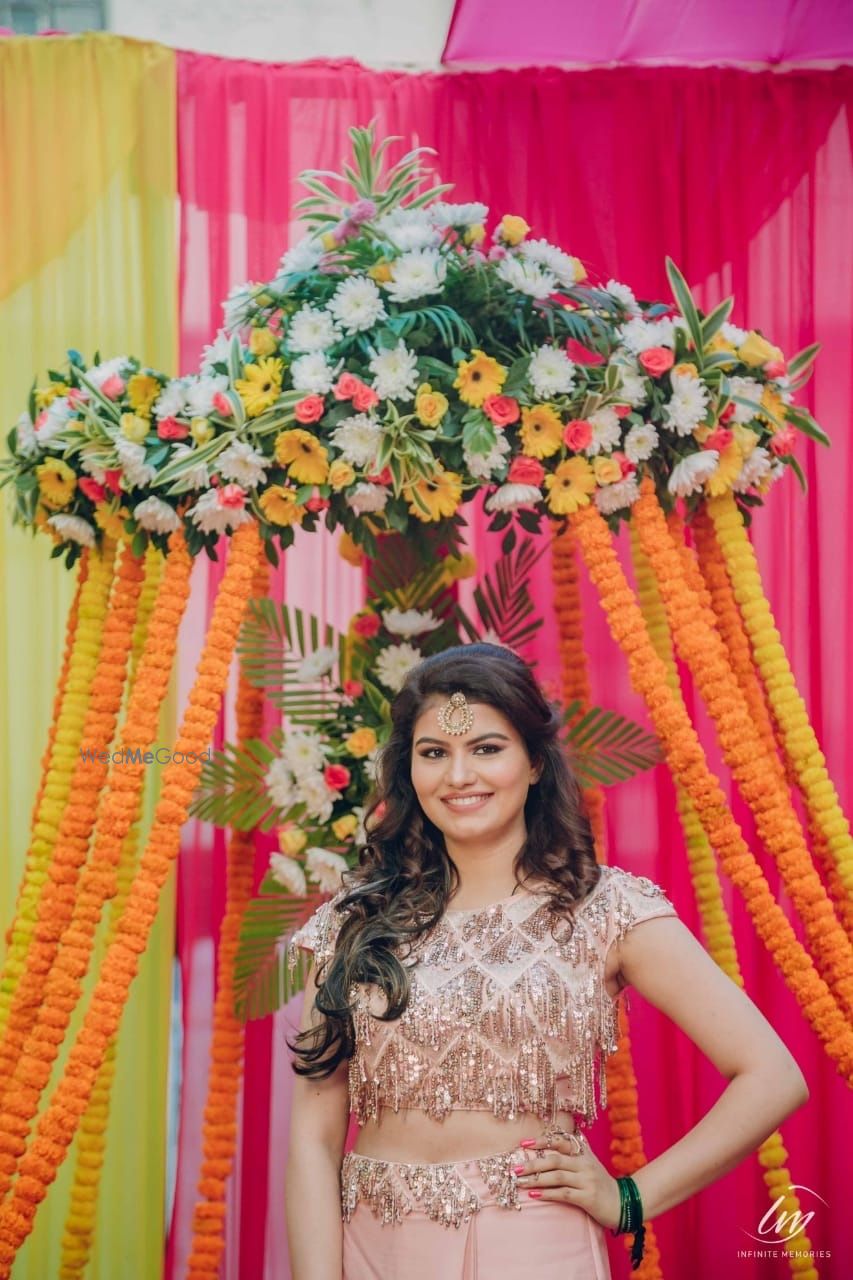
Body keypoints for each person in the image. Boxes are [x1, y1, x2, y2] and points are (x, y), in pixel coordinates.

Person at [284, 643, 809, 1280]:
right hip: (372, 1248)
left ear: (534, 762)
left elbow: (773, 1075)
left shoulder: (603, 908)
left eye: (486, 748)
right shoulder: (356, 919)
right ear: (408, 769)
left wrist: (630, 1199)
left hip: (531, 1245)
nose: (458, 776)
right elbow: (314, 1135)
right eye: (434, 753)